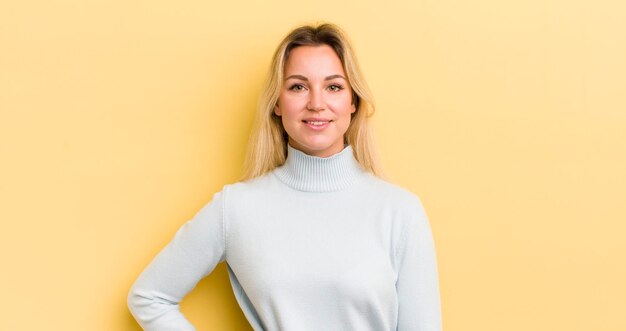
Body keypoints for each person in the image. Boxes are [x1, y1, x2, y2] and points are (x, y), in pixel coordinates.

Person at [127, 22, 442, 331]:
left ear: (353, 102)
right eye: (298, 86)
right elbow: (149, 297)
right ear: (277, 103)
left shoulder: (400, 211)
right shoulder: (236, 208)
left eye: (333, 86)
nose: (316, 104)